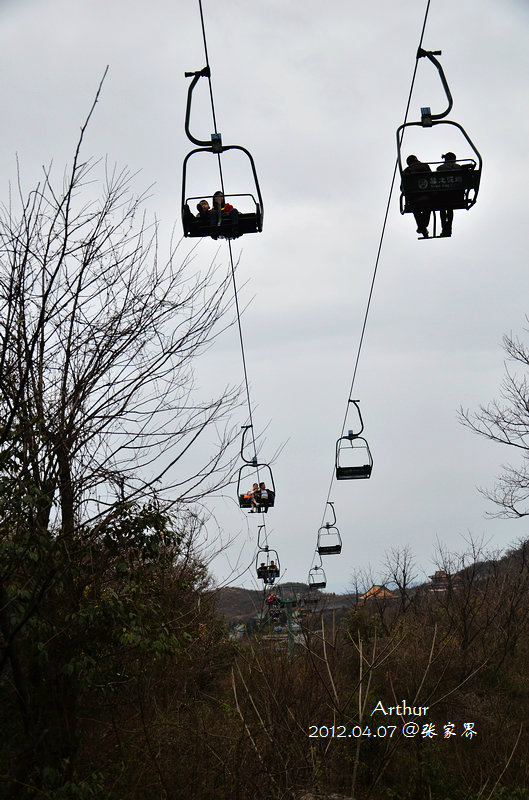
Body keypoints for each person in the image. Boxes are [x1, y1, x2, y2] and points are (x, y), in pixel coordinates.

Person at [403, 154, 432, 238]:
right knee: (428, 206)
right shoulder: (425, 166)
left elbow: (403, 186)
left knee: (415, 208)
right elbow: (431, 178)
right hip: (428, 195)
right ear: (416, 159)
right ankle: (423, 226)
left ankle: (422, 227)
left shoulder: (407, 171)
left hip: (414, 198)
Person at [436, 152, 461, 237]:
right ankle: (449, 228)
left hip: (442, 196)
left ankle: (444, 228)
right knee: (449, 208)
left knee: (442, 208)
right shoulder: (459, 167)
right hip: (457, 195)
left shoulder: (440, 168)